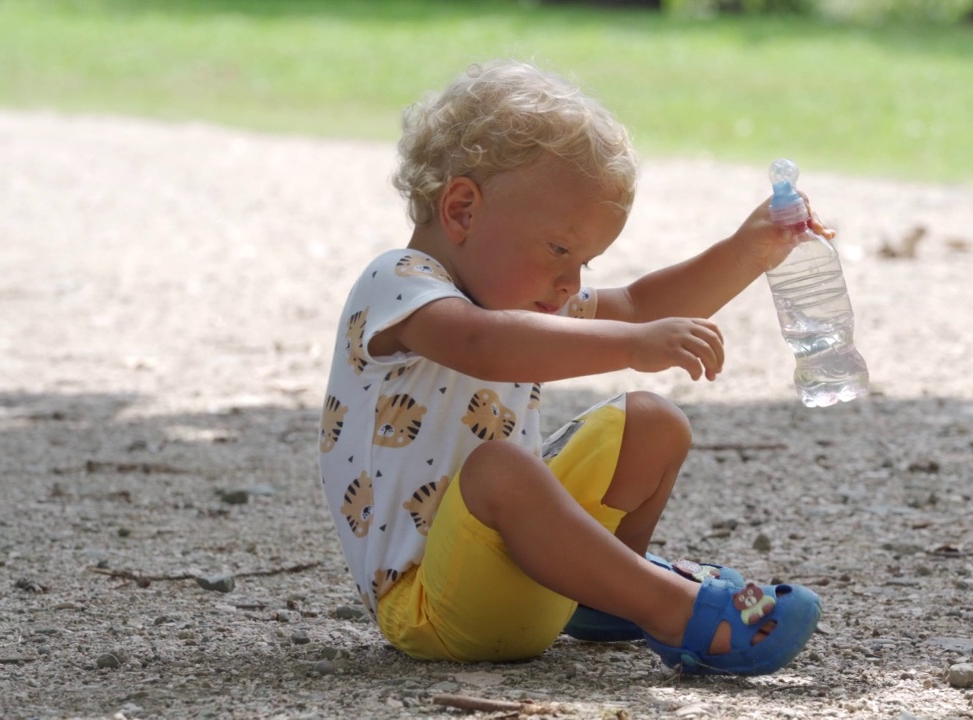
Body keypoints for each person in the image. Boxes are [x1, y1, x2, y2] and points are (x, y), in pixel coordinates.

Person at [318, 59, 829, 676]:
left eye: (586, 262)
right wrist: (631, 346)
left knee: (651, 422)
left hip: (528, 572)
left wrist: (749, 251)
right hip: (435, 607)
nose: (571, 282)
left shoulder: (524, 295)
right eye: (560, 250)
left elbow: (640, 304)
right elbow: (482, 344)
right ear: (461, 210)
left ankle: (605, 593)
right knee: (501, 469)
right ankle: (675, 610)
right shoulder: (397, 284)